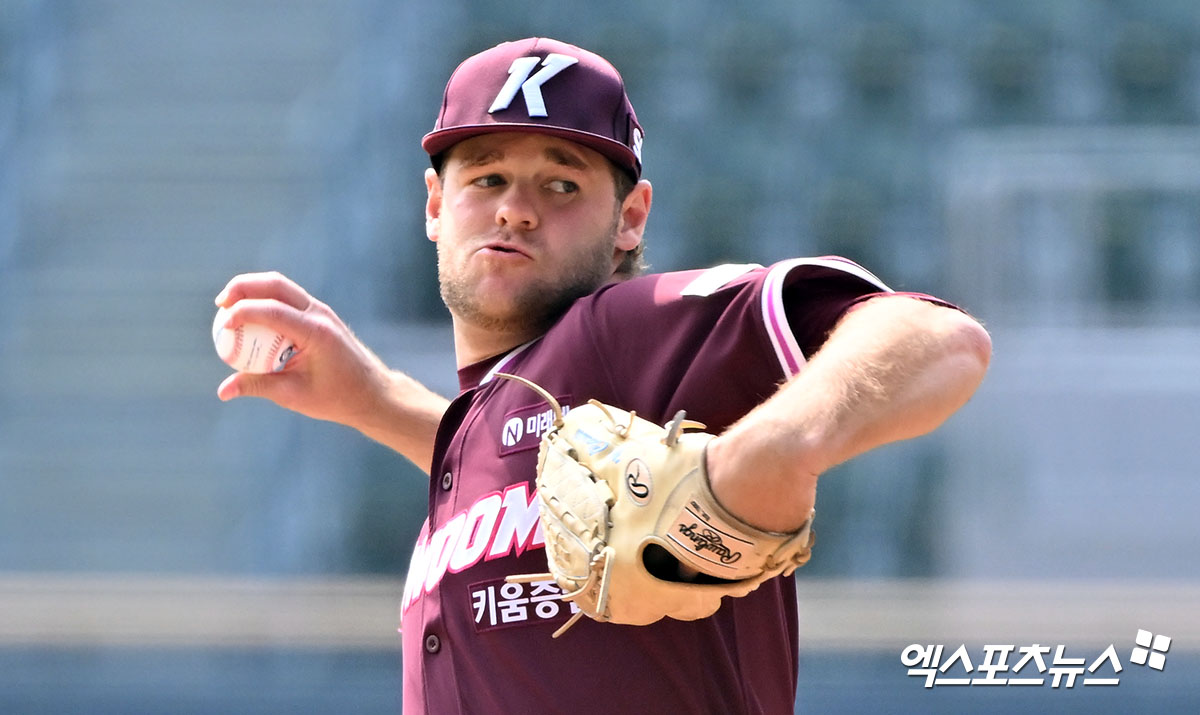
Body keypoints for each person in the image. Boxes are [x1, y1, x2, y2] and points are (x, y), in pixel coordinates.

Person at [214, 37, 991, 714]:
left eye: (561, 184)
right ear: (435, 205)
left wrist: (765, 450)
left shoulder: (629, 329)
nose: (515, 209)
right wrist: (374, 397)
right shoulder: (495, 423)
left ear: (630, 218)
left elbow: (936, 337)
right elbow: (520, 465)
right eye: (486, 177)